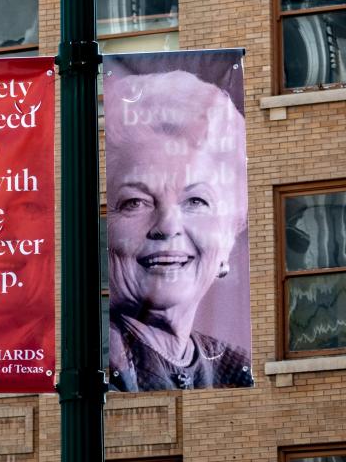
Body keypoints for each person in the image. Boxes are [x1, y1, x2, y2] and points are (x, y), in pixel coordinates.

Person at [104, 69, 253, 391]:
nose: (168, 226)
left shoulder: (236, 368)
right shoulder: (95, 364)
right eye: (135, 202)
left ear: (228, 236)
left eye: (196, 201)